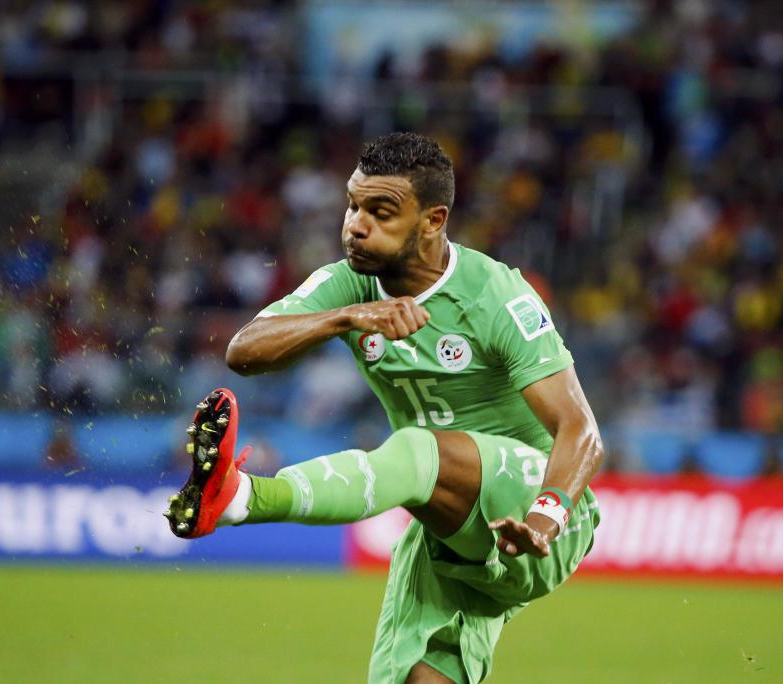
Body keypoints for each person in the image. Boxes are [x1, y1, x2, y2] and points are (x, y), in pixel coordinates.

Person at [165, 132, 604, 683]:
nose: (356, 224)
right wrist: (345, 318)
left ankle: (241, 497)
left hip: (538, 516)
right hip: (449, 529)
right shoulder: (351, 284)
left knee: (421, 450)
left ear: (433, 220)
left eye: (381, 211)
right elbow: (243, 351)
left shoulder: (496, 295)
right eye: (353, 204)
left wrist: (546, 516)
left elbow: (581, 431)